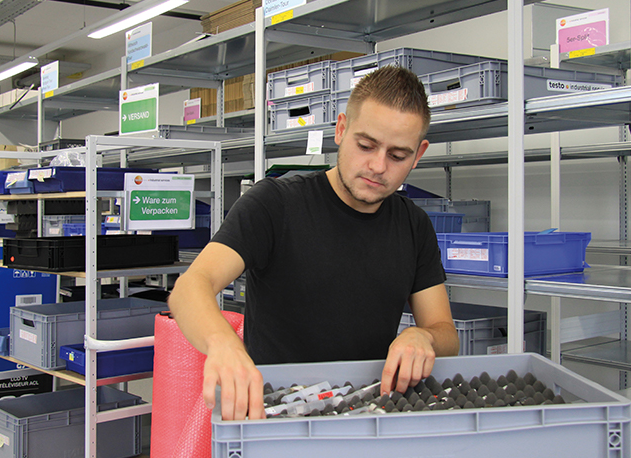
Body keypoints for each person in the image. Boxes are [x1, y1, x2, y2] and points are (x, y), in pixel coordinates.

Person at [168, 65, 459, 421]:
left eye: (398, 155)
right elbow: (189, 288)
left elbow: (445, 333)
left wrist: (423, 338)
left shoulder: (413, 225)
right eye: (366, 145)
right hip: (274, 416)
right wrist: (222, 344)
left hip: (365, 415)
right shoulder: (275, 204)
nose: (378, 166)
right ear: (340, 129)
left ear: (419, 154)